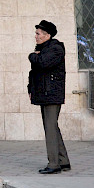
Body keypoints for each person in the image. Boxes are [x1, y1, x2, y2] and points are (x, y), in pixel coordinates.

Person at [28, 20, 70, 174]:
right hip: (44, 93)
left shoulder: (55, 49)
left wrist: (32, 56)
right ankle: (63, 161)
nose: (36, 36)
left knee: (50, 128)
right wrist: (30, 88)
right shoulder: (43, 49)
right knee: (51, 127)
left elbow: (42, 63)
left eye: (38, 34)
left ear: (47, 35)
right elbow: (34, 72)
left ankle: (53, 164)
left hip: (51, 93)